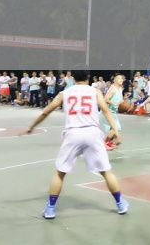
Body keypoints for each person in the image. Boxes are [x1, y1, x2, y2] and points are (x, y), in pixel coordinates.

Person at [23, 67, 128, 219]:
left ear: (72, 78)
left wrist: (32, 126)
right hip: (92, 133)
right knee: (106, 171)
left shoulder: (65, 93)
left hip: (73, 134)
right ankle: (120, 204)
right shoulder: (95, 92)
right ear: (88, 77)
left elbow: (46, 111)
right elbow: (106, 110)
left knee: (60, 173)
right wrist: (116, 131)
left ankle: (50, 209)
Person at [103, 74, 125, 151]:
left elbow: (119, 100)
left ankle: (108, 142)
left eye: (122, 78)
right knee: (115, 129)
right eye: (119, 78)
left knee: (117, 138)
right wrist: (115, 104)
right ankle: (104, 143)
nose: (121, 80)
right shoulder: (113, 89)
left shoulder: (120, 88)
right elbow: (105, 99)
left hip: (113, 112)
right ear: (114, 80)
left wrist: (122, 101)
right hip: (108, 112)